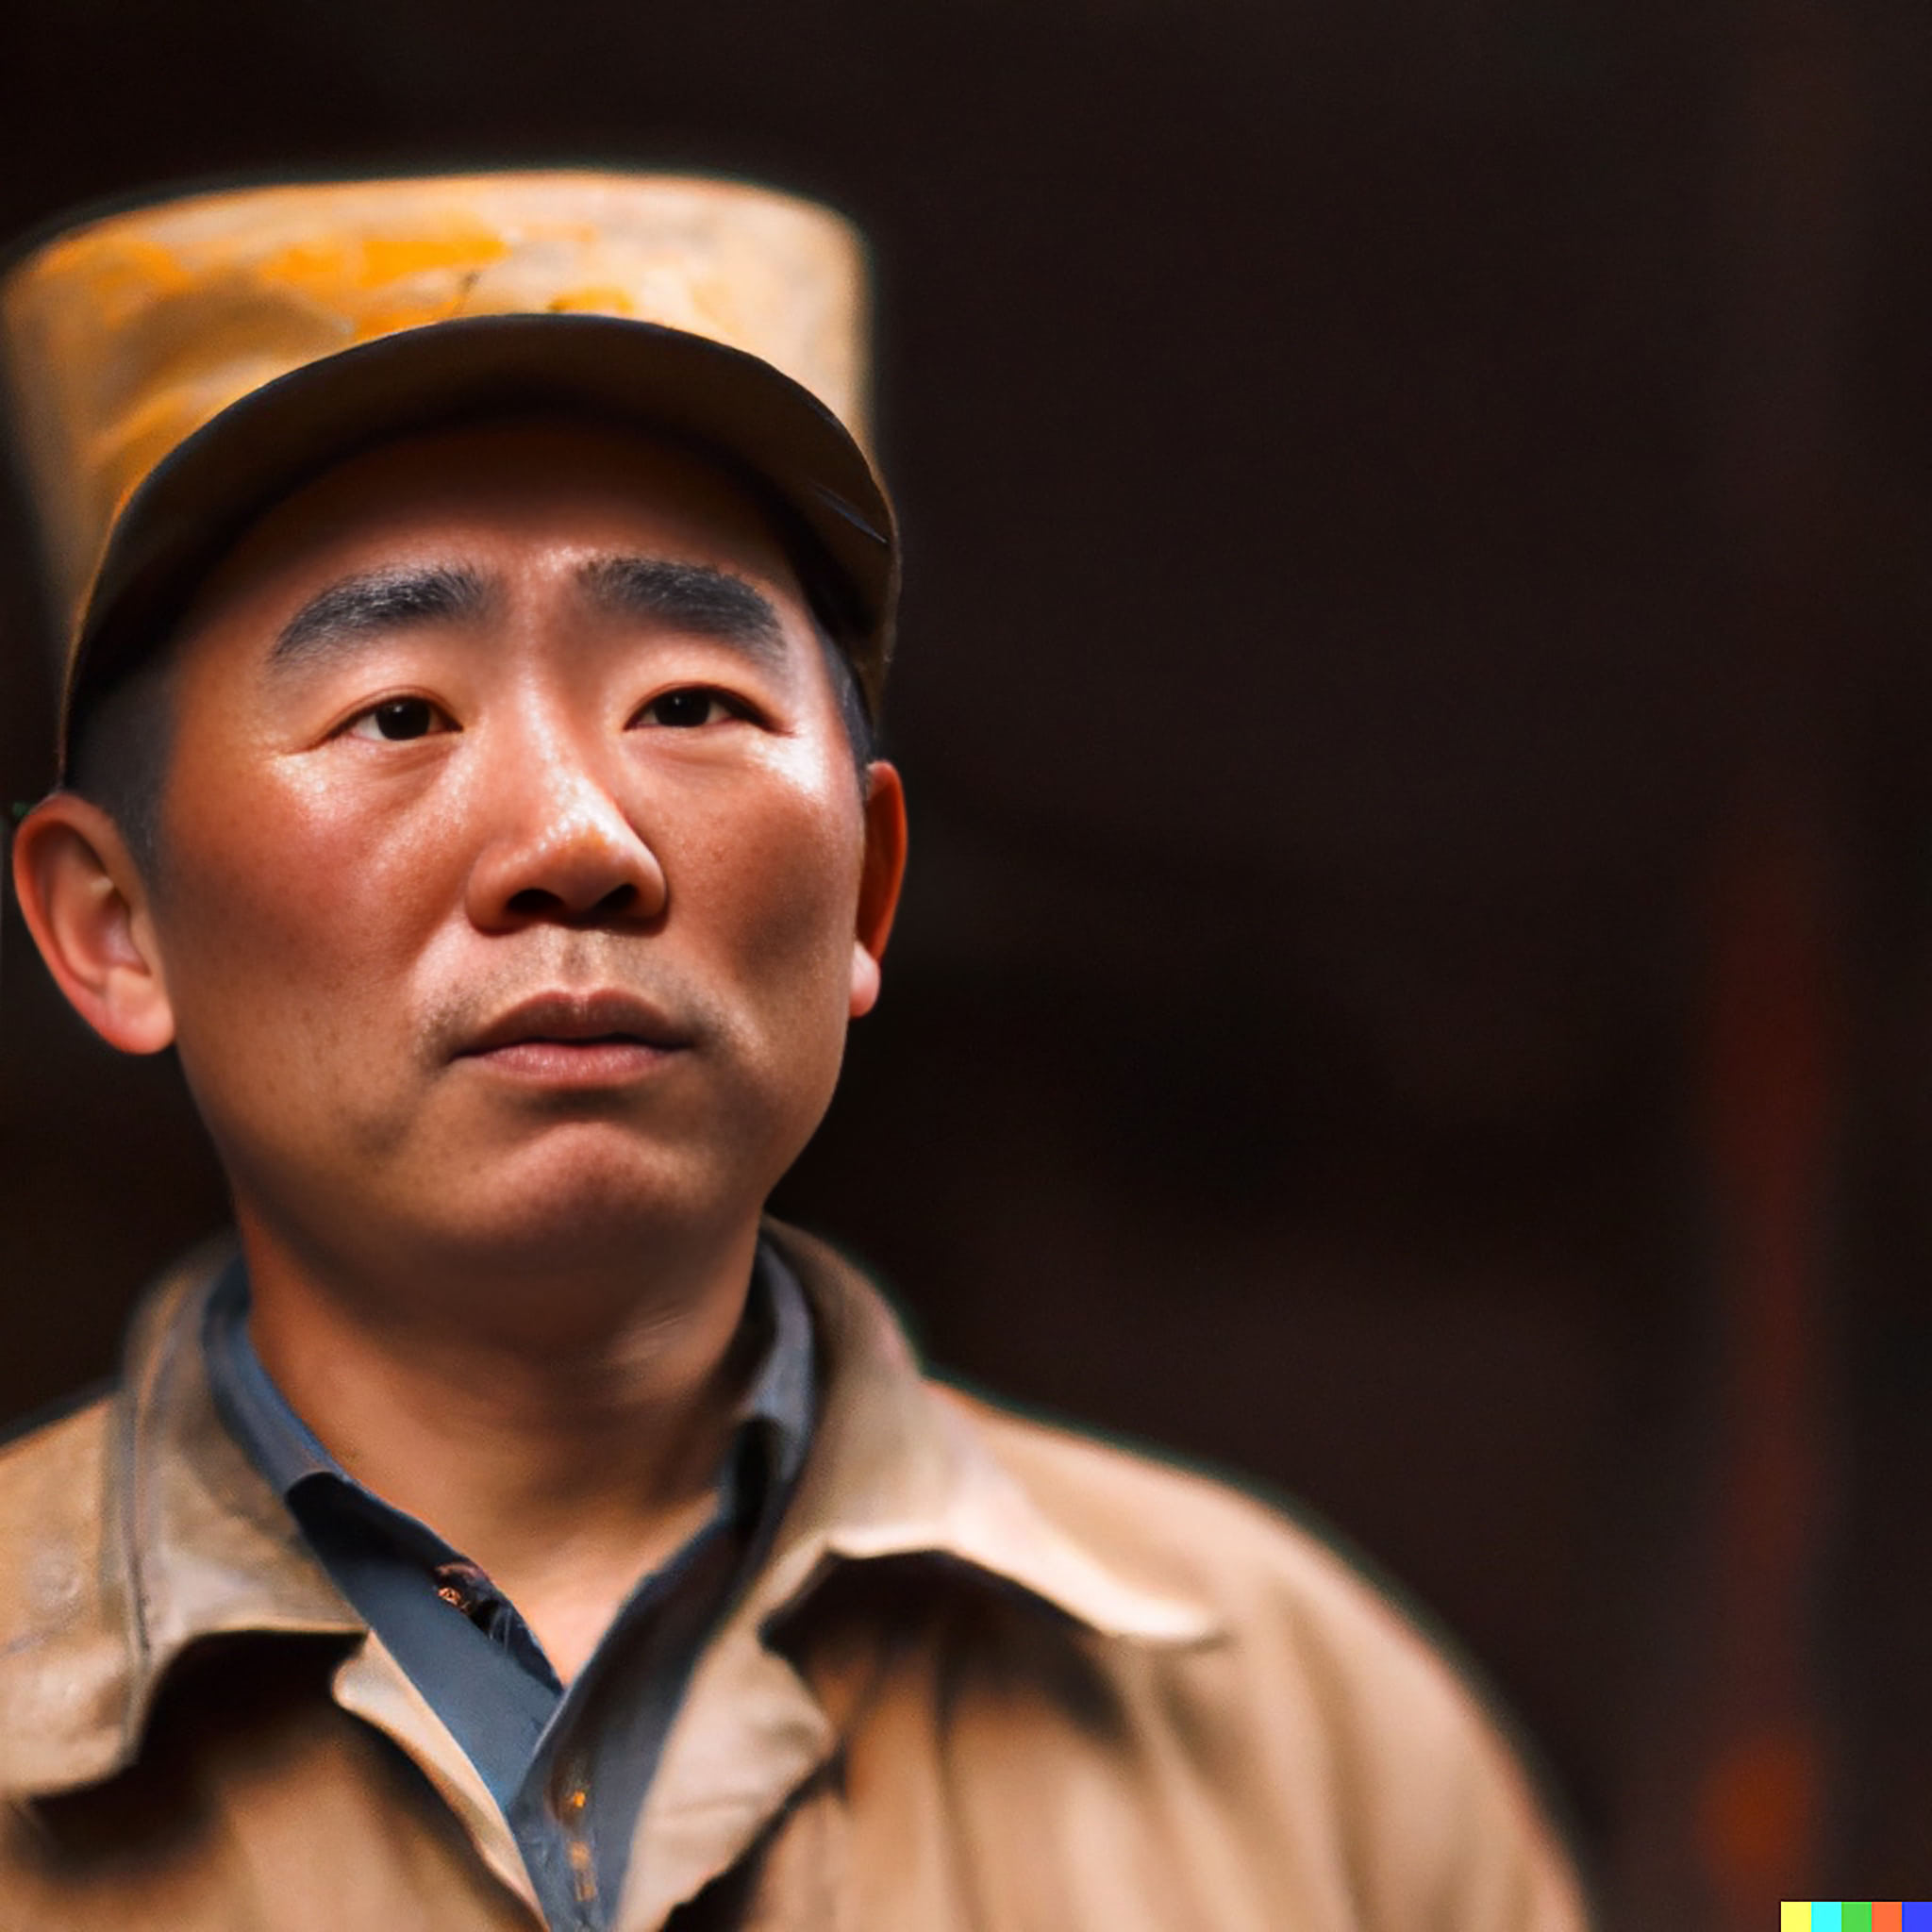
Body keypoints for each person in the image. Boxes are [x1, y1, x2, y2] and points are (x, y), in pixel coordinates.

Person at [0, 172, 1590, 1931]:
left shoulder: (1299, 1725)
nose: (578, 835)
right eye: (398, 714)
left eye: (693, 702)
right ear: (113, 922)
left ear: (868, 890)